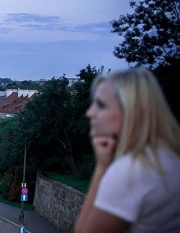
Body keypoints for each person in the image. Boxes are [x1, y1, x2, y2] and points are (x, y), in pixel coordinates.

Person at [74, 68, 180, 233]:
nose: (90, 113)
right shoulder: (168, 157)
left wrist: (101, 168)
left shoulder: (131, 171)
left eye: (101, 105)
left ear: (131, 111)